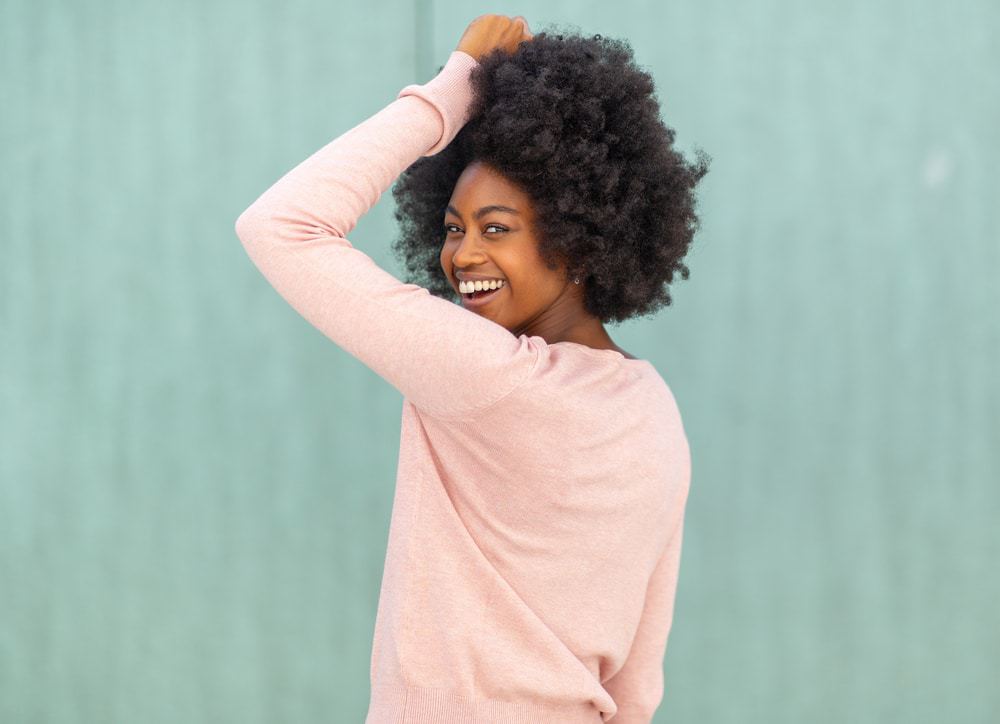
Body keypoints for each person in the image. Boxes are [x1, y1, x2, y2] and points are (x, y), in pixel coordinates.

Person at [235, 14, 710, 723]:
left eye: (497, 228)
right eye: (453, 229)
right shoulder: (654, 409)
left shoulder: (487, 376)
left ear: (578, 242)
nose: (461, 257)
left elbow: (282, 226)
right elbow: (638, 683)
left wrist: (452, 89)